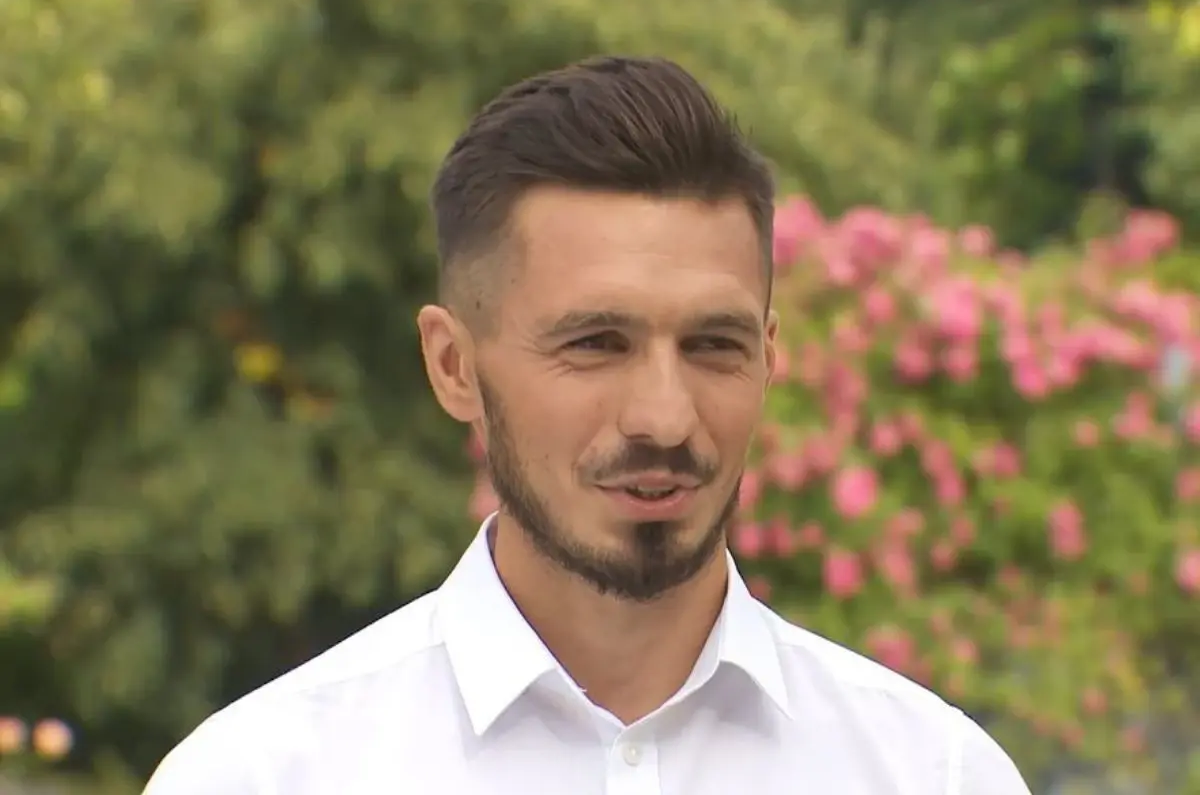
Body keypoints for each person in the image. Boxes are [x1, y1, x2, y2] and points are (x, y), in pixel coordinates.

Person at [143, 55, 1032, 794]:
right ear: (453, 365)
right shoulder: (265, 774)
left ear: (769, 355)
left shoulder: (934, 774)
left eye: (713, 344)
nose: (664, 416)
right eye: (596, 343)